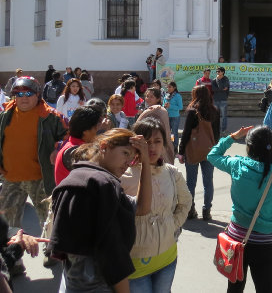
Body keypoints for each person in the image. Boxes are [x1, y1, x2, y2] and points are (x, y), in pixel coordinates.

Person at [48, 128, 152, 293]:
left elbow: (141, 207)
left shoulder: (78, 177)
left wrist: (146, 162)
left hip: (73, 282)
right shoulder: (102, 185)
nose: (128, 163)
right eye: (125, 153)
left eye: (132, 159)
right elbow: (112, 252)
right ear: (104, 146)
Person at [207, 125, 272, 293]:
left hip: (236, 238)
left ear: (249, 147)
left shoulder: (237, 164)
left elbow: (212, 155)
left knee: (234, 286)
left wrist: (233, 136)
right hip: (263, 243)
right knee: (265, 288)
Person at [120, 118, 192, 293]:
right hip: (136, 263)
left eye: (157, 141)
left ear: (164, 144)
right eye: (146, 142)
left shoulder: (172, 173)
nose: (152, 147)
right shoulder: (124, 176)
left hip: (167, 258)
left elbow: (186, 202)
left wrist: (172, 224)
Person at [0, 76, 67, 232]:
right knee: (7, 224)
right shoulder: (4, 115)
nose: (24, 98)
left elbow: (68, 136)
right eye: (19, 94)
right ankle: (11, 253)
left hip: (41, 179)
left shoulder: (51, 117)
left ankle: (51, 252)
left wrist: (58, 148)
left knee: (49, 220)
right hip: (11, 178)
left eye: (28, 94)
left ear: (38, 95)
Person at [177, 85, 220, 221]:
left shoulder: (192, 111)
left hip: (193, 149)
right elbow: (217, 133)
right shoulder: (215, 110)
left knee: (191, 182)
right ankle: (207, 210)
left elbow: (186, 133)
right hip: (209, 150)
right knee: (208, 182)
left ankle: (190, 210)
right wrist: (216, 149)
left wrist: (181, 151)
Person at [137, 87, 174, 162]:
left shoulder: (160, 111)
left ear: (158, 99)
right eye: (147, 96)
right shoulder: (147, 109)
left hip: (158, 147)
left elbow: (137, 125)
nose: (148, 99)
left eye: (151, 97)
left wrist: (144, 114)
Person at [164, 81, 183, 152]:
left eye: (170, 87)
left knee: (174, 132)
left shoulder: (178, 96)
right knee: (168, 132)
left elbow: (180, 107)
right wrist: (164, 106)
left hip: (175, 117)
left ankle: (175, 147)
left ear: (174, 87)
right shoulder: (166, 95)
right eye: (167, 87)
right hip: (167, 116)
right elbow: (164, 104)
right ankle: (170, 145)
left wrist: (170, 106)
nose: (168, 88)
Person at [212, 66, 230, 134]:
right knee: (216, 116)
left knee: (224, 116)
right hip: (215, 99)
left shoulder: (226, 79)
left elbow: (225, 87)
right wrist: (221, 89)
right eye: (217, 71)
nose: (217, 72)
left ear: (223, 72)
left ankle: (223, 129)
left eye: (219, 71)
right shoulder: (214, 80)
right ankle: (216, 129)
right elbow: (213, 89)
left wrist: (219, 87)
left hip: (223, 99)